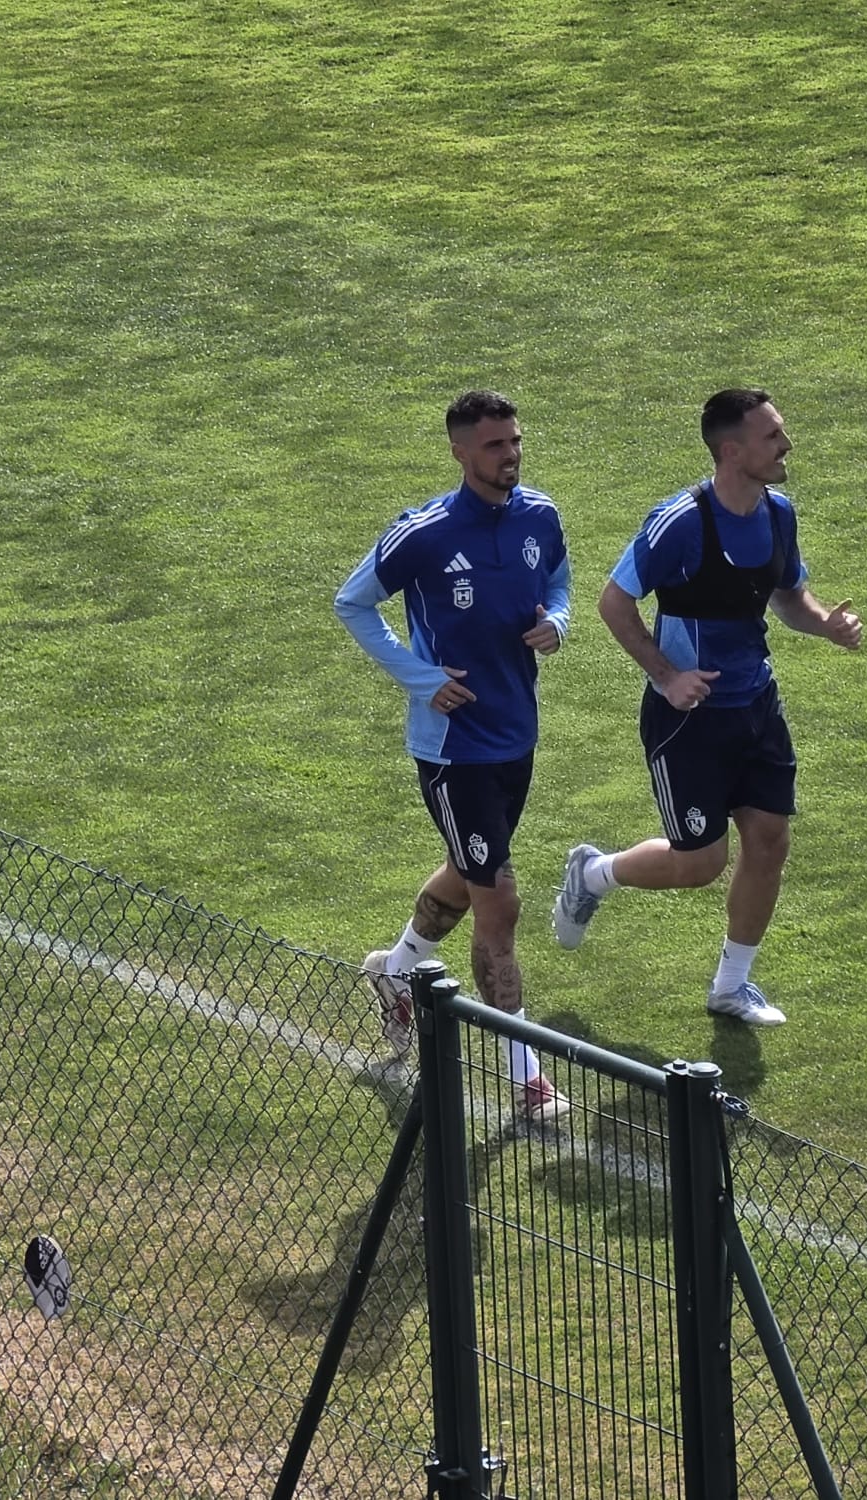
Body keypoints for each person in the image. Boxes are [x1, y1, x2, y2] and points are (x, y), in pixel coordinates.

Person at [551, 389, 861, 1026]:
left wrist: (825, 624)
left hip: (756, 704)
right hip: (689, 719)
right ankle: (595, 873)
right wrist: (667, 677)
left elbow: (789, 596)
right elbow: (614, 603)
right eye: (772, 436)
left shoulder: (778, 513)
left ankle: (731, 986)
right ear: (732, 451)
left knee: (769, 841)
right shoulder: (681, 523)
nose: (786, 445)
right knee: (699, 863)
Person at [336, 390, 573, 1121]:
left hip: (516, 735)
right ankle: (527, 1079)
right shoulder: (425, 533)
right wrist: (420, 677)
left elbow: (558, 578)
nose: (512, 455)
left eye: (516, 441)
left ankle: (395, 971)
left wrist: (559, 620)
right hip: (454, 749)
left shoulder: (540, 516)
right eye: (496, 445)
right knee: (499, 899)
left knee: (470, 874)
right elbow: (352, 602)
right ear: (461, 452)